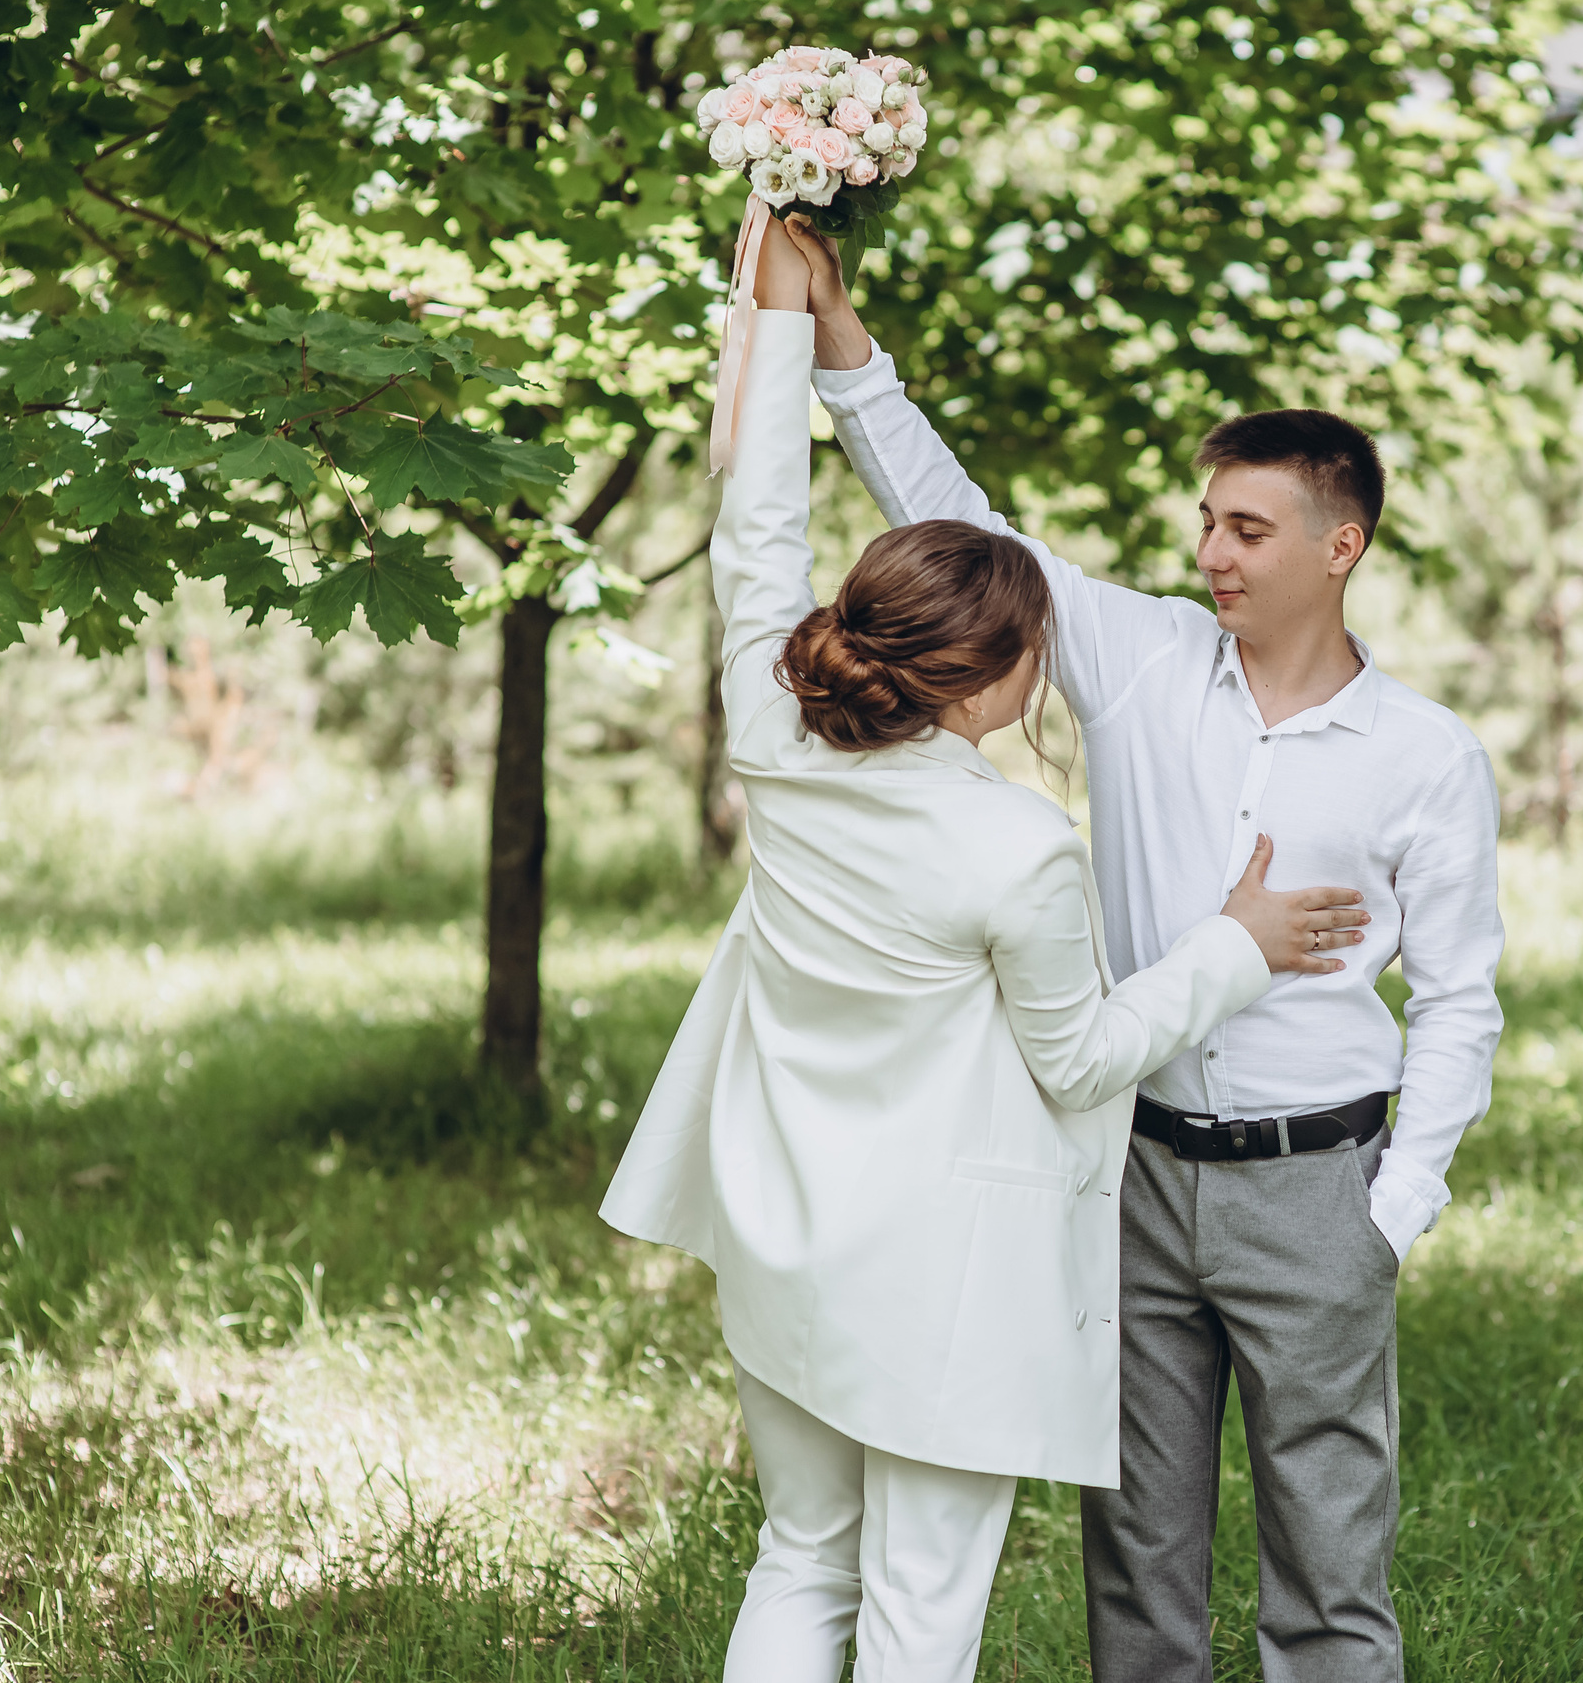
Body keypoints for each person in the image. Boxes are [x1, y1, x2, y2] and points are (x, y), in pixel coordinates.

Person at [598, 216, 1373, 1682]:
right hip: (941, 1279)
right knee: (919, 1601)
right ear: (1000, 673)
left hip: (781, 1230)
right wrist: (1235, 945)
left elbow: (758, 523)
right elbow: (1080, 1054)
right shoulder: (1019, 850)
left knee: (800, 1554)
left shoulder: (775, 727)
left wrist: (782, 312)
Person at [787, 234, 1507, 1682]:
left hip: (1320, 1185)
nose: (1209, 553)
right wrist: (839, 332)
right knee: (1136, 1560)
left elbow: (1461, 997)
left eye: (1247, 528)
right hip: (1131, 1174)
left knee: (1330, 1563)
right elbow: (952, 514)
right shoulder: (1136, 658)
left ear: (1339, 544)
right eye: (1206, 521)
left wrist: (1394, 1206)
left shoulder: (1428, 756)